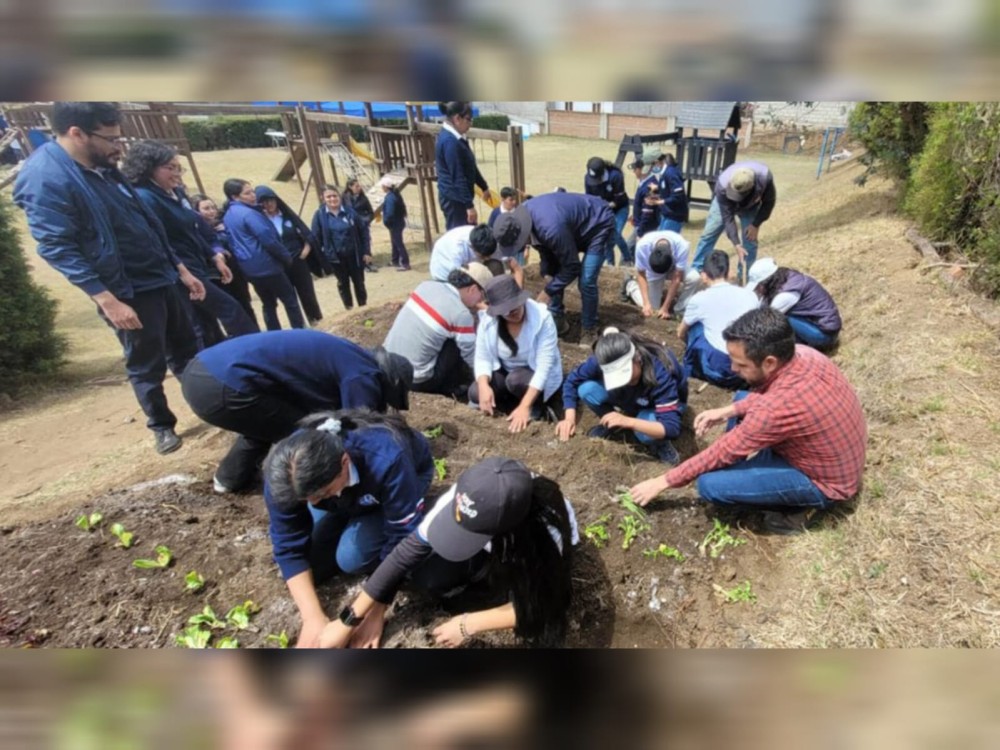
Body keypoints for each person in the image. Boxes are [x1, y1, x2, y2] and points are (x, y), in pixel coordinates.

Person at [13, 102, 205, 455]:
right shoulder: (47, 177)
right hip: (127, 290)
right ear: (77, 133)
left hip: (161, 276)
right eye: (111, 138)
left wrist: (180, 268)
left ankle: (208, 405)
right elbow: (57, 247)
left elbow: (146, 226)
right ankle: (161, 425)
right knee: (146, 363)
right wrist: (107, 299)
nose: (119, 147)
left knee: (188, 349)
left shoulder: (105, 168)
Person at [630, 307, 867, 534]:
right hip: (834, 455)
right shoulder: (805, 354)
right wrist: (728, 411)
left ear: (770, 362)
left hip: (827, 484)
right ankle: (752, 473)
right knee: (744, 397)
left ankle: (799, 510)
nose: (733, 368)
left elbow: (722, 451)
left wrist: (662, 481)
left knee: (709, 486)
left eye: (741, 364)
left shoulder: (774, 409)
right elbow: (771, 399)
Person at [319, 457, 577, 649]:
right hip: (495, 547)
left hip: (528, 555)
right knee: (429, 577)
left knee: (536, 626)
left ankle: (490, 583)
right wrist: (349, 620)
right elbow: (405, 553)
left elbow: (546, 605)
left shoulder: (548, 532)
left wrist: (468, 625)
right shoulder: (467, 495)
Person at [262, 409, 434, 648]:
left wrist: (375, 611)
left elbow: (401, 539)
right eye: (306, 500)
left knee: (351, 558)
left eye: (320, 494)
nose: (313, 503)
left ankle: (417, 506)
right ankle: (349, 509)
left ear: (344, 462)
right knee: (313, 566)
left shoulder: (387, 458)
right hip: (347, 492)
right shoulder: (285, 475)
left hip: (407, 475)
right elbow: (287, 545)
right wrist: (312, 618)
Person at [181, 330, 414, 493]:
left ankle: (228, 479)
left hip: (203, 372)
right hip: (224, 386)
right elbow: (356, 426)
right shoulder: (363, 374)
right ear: (387, 380)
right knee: (306, 435)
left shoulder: (351, 355)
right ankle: (300, 491)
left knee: (267, 422)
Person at [121, 141, 258, 349]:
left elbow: (194, 229)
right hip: (181, 272)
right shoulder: (146, 198)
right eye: (170, 168)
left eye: (178, 168)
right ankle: (256, 353)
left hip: (197, 264)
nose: (177, 173)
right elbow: (156, 242)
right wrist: (183, 271)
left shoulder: (176, 193)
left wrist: (214, 255)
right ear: (148, 168)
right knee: (229, 311)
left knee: (208, 324)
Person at [557, 328, 687, 465]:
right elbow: (572, 380)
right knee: (586, 390)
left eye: (626, 376)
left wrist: (628, 421)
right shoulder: (605, 358)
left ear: (637, 358)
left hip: (656, 407)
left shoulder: (661, 373)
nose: (624, 381)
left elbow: (672, 427)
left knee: (643, 433)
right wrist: (569, 418)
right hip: (631, 399)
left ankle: (660, 444)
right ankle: (613, 424)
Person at [493, 192, 614, 338]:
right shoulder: (524, 220)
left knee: (586, 280)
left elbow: (572, 266)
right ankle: (557, 317)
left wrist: (548, 292)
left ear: (522, 235)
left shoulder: (550, 230)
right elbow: (545, 251)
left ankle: (589, 327)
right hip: (570, 227)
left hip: (598, 222)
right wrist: (547, 272)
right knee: (551, 276)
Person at [383, 263, 494, 401]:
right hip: (417, 380)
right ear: (472, 289)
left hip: (387, 366)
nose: (481, 301)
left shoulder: (426, 286)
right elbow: (471, 355)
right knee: (456, 343)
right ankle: (450, 388)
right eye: (482, 295)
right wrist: (485, 379)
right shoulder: (460, 313)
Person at [471, 274, 564, 433]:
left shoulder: (542, 318)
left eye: (516, 307)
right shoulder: (488, 322)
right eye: (506, 312)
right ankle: (509, 409)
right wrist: (484, 385)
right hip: (507, 371)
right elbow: (482, 358)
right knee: (475, 392)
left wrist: (525, 406)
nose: (513, 313)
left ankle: (537, 407)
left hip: (531, 375)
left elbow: (543, 368)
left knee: (515, 380)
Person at [222, 178, 306, 330]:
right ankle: (299, 331)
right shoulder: (249, 214)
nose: (253, 195)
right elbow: (268, 239)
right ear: (235, 196)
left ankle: (274, 333)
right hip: (267, 265)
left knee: (268, 303)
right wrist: (285, 256)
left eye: (252, 191)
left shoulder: (229, 215)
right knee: (290, 300)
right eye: (247, 193)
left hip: (249, 267)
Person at [677, 250, 760, 389]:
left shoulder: (699, 299)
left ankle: (692, 368)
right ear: (728, 273)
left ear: (703, 275)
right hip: (750, 366)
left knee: (695, 326)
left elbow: (680, 333)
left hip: (721, 369)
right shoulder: (750, 295)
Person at [691, 161, 776, 282]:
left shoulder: (765, 177)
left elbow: (769, 203)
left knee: (750, 241)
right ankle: (695, 271)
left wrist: (755, 224)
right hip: (724, 203)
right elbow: (727, 218)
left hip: (751, 205)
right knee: (709, 234)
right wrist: (736, 244)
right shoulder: (722, 184)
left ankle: (745, 277)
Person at [254, 185, 323, 326]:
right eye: (265, 201)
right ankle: (299, 327)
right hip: (279, 265)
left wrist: (305, 250)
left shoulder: (287, 217)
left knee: (308, 295)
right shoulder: (260, 221)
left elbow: (306, 234)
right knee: (290, 299)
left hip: (298, 261)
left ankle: (317, 322)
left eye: (271, 200)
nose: (269, 204)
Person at [190, 192, 257, 327]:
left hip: (235, 272)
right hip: (215, 275)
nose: (211, 212)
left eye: (212, 207)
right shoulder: (195, 231)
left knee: (245, 303)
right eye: (206, 209)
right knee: (229, 309)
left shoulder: (224, 225)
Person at [746, 258, 842, 351]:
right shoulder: (786, 278)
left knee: (777, 319)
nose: (756, 290)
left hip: (824, 335)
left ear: (768, 282)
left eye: (758, 286)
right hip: (818, 326)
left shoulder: (786, 294)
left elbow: (765, 321)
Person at [310, 184, 373, 310]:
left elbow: (364, 232)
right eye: (329, 197)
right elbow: (316, 238)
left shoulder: (350, 212)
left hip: (354, 256)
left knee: (359, 283)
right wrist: (322, 259)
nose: (332, 199)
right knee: (343, 284)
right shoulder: (319, 216)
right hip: (336, 259)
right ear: (323, 198)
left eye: (335, 196)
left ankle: (363, 308)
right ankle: (348, 308)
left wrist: (366, 252)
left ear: (339, 196)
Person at [435, 101, 492, 230]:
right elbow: (457, 176)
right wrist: (469, 206)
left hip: (460, 198)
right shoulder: (450, 142)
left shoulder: (458, 138)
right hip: (454, 200)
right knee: (459, 237)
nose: (470, 124)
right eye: (468, 120)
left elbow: (470, 165)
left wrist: (483, 186)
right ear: (457, 118)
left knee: (469, 234)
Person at [624, 230, 701, 319]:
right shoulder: (642, 246)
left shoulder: (682, 246)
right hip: (653, 272)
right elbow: (641, 274)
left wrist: (665, 307)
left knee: (694, 277)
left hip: (674, 268)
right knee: (652, 309)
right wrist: (646, 303)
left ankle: (679, 310)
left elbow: (676, 278)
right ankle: (631, 286)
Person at [584, 156, 631, 266]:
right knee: (605, 237)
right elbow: (589, 199)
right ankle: (610, 263)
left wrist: (605, 205)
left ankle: (628, 259)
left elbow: (619, 199)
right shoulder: (588, 178)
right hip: (603, 210)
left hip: (619, 208)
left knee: (615, 234)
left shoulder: (615, 176)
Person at [428, 223, 498, 281]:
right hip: (445, 273)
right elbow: (457, 279)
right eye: (483, 256)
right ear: (472, 248)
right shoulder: (457, 250)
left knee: (495, 265)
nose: (487, 259)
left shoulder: (487, 238)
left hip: (465, 264)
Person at [344, 177, 378, 273]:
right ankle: (359, 263)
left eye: (359, 186)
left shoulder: (363, 198)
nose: (359, 187)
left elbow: (371, 212)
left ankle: (368, 263)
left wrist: (365, 220)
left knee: (366, 242)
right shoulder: (345, 198)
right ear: (350, 187)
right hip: (351, 226)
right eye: (356, 186)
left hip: (363, 225)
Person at [378, 175, 410, 271]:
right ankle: (395, 260)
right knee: (395, 242)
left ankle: (405, 263)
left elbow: (390, 212)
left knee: (398, 243)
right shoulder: (395, 194)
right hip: (398, 222)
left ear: (385, 187)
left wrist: (386, 220)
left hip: (395, 223)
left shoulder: (390, 197)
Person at [654, 153, 689, 233]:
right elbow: (666, 188)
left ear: (657, 162)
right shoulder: (664, 173)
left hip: (674, 215)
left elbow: (678, 196)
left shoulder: (671, 173)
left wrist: (661, 201)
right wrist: (657, 188)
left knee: (665, 241)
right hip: (667, 213)